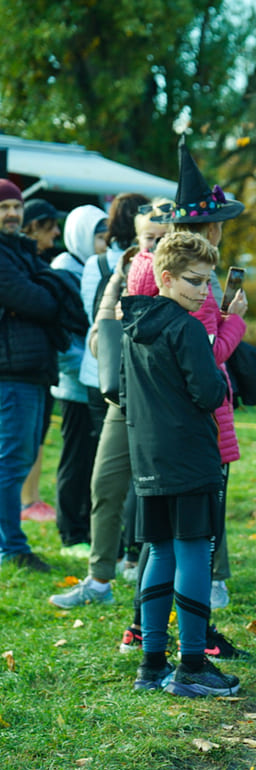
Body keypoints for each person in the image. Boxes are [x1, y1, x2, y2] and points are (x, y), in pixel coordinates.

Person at [120, 140, 248, 659]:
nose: (202, 289)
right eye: (196, 282)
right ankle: (193, 656)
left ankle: (152, 654)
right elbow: (206, 373)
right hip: (192, 438)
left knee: (161, 547)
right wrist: (233, 322)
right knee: (194, 545)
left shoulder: (140, 304)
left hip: (150, 441)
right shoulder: (187, 313)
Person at [47, 195, 151, 609]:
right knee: (104, 482)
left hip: (158, 394)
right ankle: (99, 578)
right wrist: (110, 308)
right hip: (114, 389)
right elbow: (97, 325)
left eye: (159, 238)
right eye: (146, 237)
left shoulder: (177, 272)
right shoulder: (110, 267)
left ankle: (143, 564)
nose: (151, 245)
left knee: (149, 486)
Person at [0, 180, 73, 572]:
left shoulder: (20, 250)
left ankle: (10, 543)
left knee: (22, 457)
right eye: (3, 207)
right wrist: (42, 291)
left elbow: (48, 294)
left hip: (33, 370)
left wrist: (42, 291)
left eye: (16, 206)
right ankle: (11, 547)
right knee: (12, 462)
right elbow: (38, 300)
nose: (12, 213)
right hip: (11, 373)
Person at [48, 204, 109, 556]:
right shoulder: (63, 271)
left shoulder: (94, 267)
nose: (103, 244)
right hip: (75, 385)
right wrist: (86, 368)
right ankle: (71, 533)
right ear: (81, 236)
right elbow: (62, 336)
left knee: (93, 461)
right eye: (98, 237)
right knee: (76, 459)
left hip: (95, 382)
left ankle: (86, 527)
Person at [18, 197, 66, 524]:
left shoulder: (37, 262)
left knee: (36, 434)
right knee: (22, 440)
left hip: (40, 365)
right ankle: (26, 501)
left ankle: (31, 498)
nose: (56, 234)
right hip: (22, 367)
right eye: (50, 228)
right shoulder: (21, 265)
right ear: (34, 226)